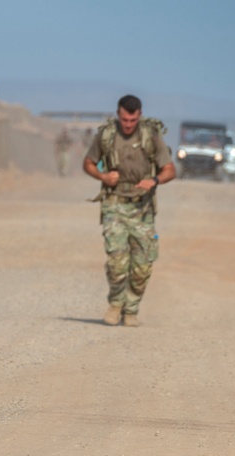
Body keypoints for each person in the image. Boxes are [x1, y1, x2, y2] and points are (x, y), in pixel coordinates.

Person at [82, 94, 175, 327]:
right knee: (116, 261)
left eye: (132, 121)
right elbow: (88, 163)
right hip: (114, 203)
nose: (128, 125)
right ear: (118, 114)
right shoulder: (106, 135)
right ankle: (115, 304)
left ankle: (131, 308)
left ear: (139, 116)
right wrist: (103, 176)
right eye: (124, 120)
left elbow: (170, 170)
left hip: (142, 207)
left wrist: (154, 181)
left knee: (142, 266)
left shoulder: (150, 136)